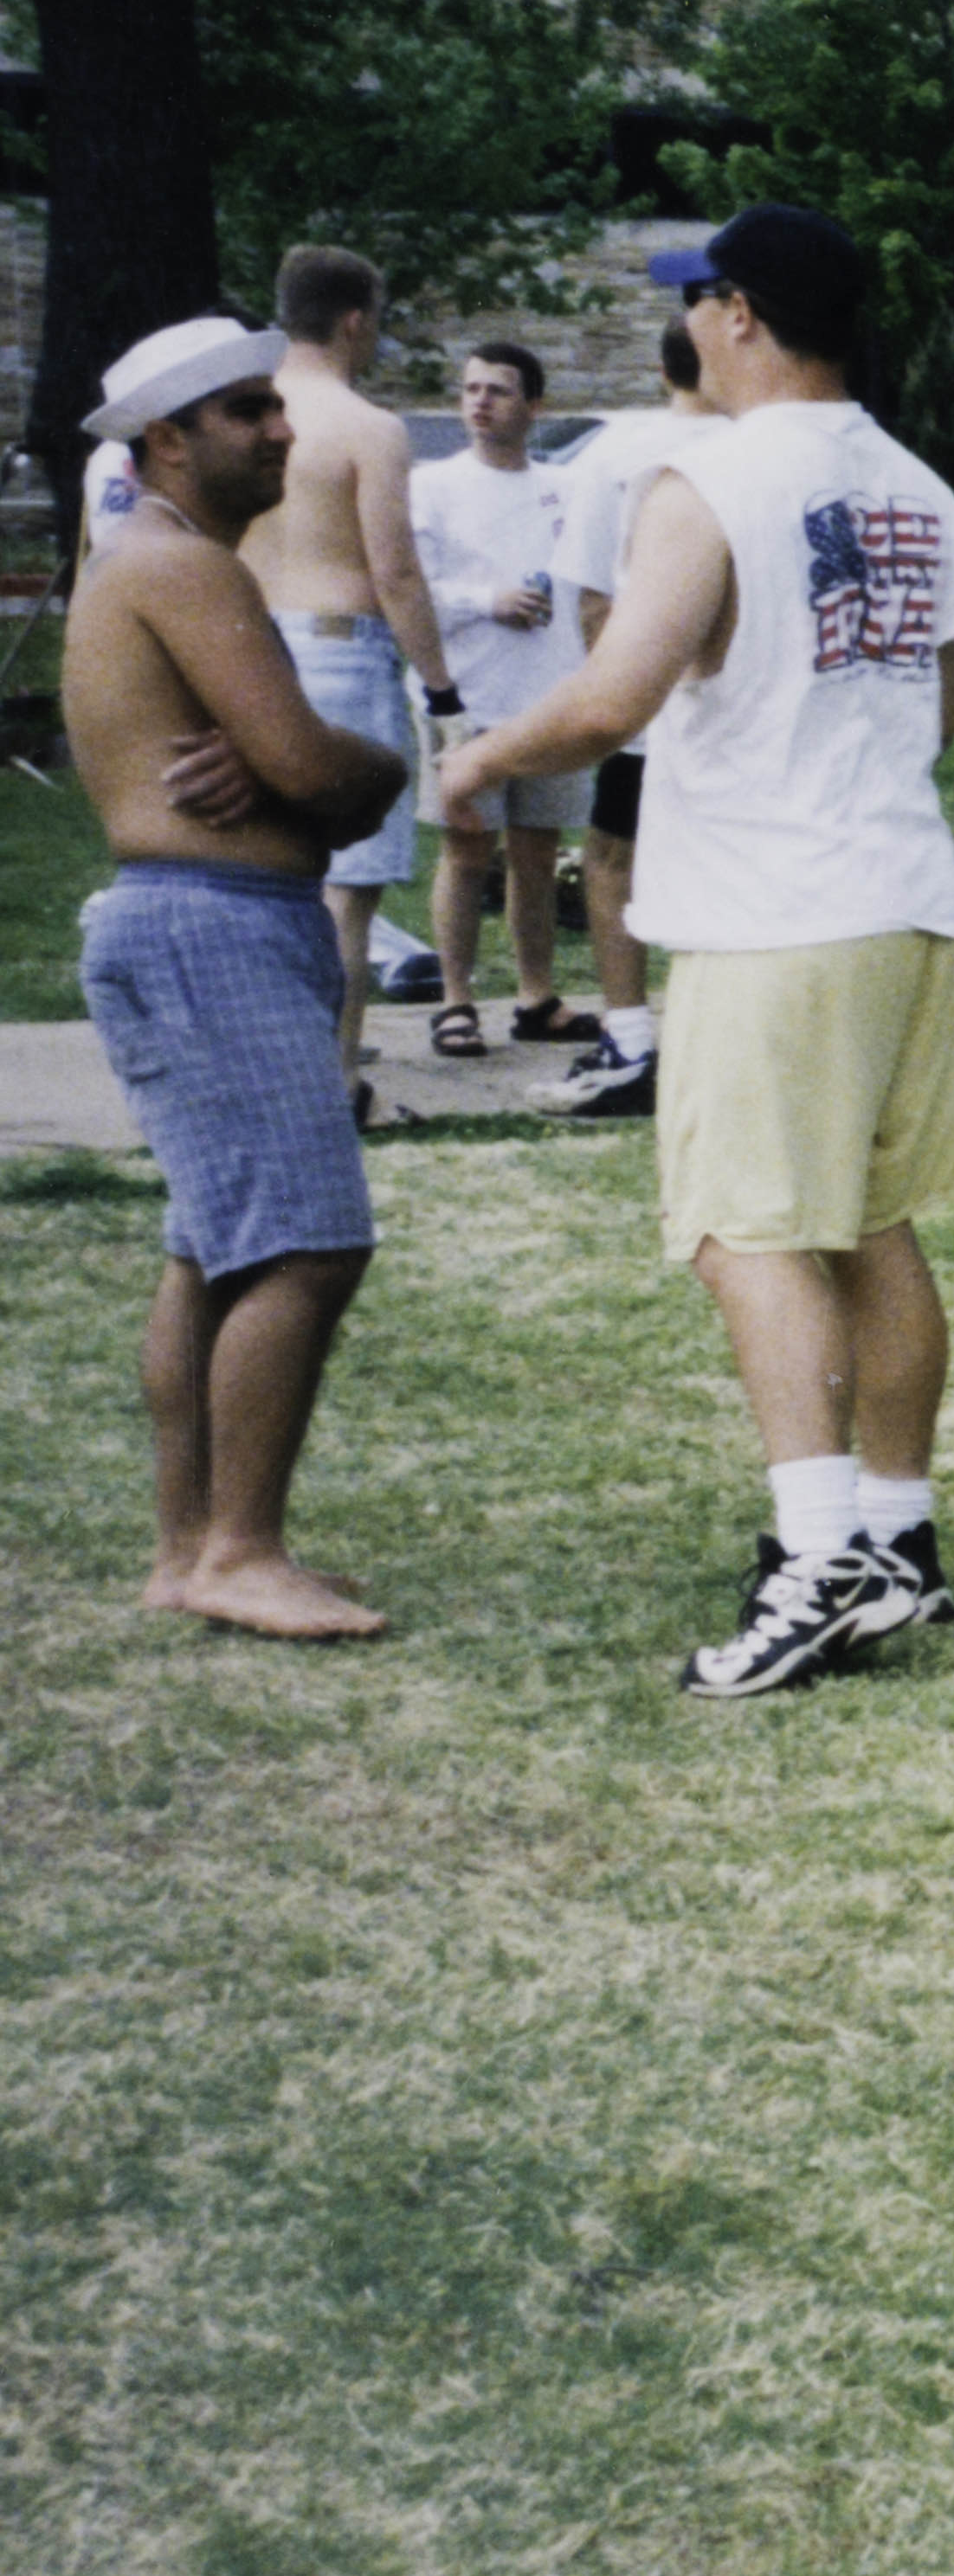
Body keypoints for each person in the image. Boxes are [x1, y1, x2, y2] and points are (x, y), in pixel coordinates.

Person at [431, 202, 954, 1701]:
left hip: (770, 910)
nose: (689, 326)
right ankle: (901, 1539)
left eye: (699, 303)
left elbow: (613, 697)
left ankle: (817, 1561)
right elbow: (936, 716)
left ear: (738, 313)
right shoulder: (918, 484)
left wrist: (475, 760)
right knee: (870, 1225)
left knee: (743, 1229)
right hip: (900, 897)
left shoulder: (709, 479)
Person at [63, 315, 411, 1640]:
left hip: (197, 917)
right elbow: (328, 776)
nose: (282, 429)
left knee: (213, 1246)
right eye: (248, 410)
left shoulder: (147, 561)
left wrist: (301, 761)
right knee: (308, 1240)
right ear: (167, 438)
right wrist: (351, 762)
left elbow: (298, 770)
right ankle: (239, 1551)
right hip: (213, 922)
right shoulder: (187, 570)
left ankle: (188, 1546)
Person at [242, 247, 453, 1079]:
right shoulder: (369, 427)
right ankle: (328, 1077)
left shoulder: (242, 413)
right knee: (346, 890)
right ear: (355, 319)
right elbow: (395, 571)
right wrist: (441, 687)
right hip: (338, 650)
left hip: (251, 647)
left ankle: (266, 1061)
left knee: (262, 870)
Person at [543, 316, 720, 1117]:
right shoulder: (755, 445)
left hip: (650, 701)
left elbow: (593, 600)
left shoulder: (615, 453)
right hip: (725, 703)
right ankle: (682, 1037)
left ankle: (632, 1032)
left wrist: (620, 704)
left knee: (612, 858)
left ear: (659, 367)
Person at [410, 341, 590, 1053]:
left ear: (534, 407)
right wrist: (488, 599)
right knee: (466, 848)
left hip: (549, 699)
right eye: (471, 389)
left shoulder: (565, 488)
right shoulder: (433, 485)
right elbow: (411, 587)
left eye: (499, 391)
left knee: (538, 852)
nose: (481, 402)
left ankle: (535, 996)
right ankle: (456, 1001)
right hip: (467, 697)